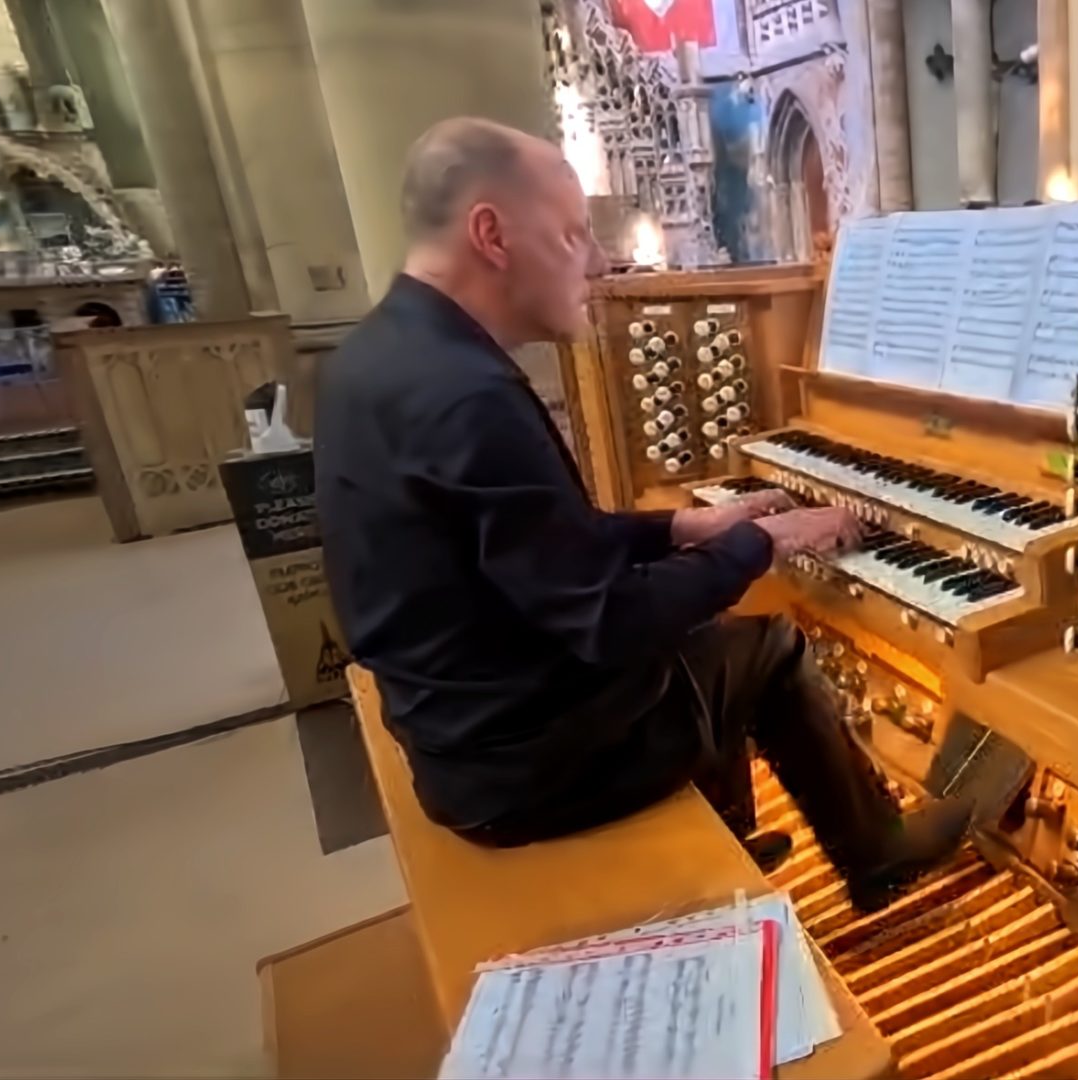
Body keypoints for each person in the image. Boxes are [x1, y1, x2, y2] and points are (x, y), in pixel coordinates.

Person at [313, 118, 969, 910]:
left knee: (704, 629)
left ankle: (729, 843)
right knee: (765, 648)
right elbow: (608, 623)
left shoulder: (384, 354)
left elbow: (539, 551)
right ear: (490, 234)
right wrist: (762, 541)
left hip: (462, 727)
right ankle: (877, 855)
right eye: (571, 234)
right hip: (527, 768)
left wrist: (682, 529)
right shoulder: (468, 397)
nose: (595, 263)